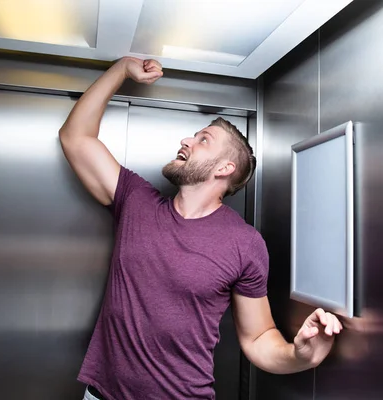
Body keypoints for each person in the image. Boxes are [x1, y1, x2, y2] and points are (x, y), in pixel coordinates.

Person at [59, 57, 342, 400]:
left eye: (203, 139)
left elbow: (257, 338)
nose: (187, 140)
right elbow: (75, 137)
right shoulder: (136, 201)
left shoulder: (244, 243)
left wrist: (300, 356)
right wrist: (121, 69)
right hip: (101, 395)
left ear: (225, 167)